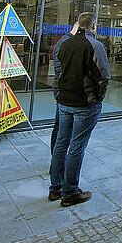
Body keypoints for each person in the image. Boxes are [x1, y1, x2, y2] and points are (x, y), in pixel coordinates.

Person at [48, 12, 109, 206]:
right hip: (84, 104)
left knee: (61, 144)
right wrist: (98, 97)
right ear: (94, 26)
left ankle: (55, 189)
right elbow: (103, 76)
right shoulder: (95, 46)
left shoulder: (64, 44)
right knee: (77, 147)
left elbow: (60, 71)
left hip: (64, 102)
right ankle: (70, 193)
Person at [49, 20, 79, 153]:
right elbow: (62, 69)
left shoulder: (64, 41)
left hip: (61, 86)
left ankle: (57, 156)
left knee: (61, 125)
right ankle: (57, 156)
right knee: (61, 126)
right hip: (63, 88)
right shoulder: (67, 43)